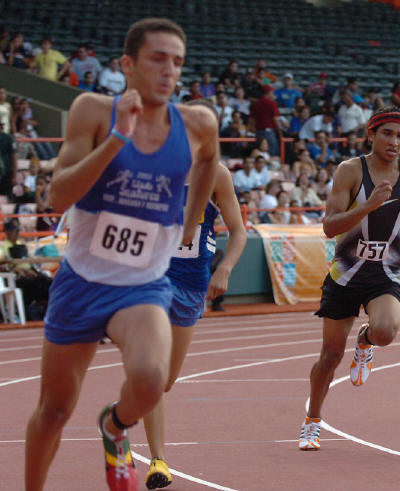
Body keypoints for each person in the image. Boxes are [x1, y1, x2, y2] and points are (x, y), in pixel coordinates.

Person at [24, 18, 219, 491]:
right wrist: (117, 138)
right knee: (54, 409)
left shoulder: (197, 123)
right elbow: (58, 197)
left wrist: (188, 224)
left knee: (152, 379)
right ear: (127, 65)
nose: (169, 70)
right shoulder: (92, 110)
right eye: (157, 59)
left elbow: (210, 162)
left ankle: (114, 427)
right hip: (83, 280)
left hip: (143, 283)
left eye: (177, 61)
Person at [298, 106, 400, 450]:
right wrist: (367, 207)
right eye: (387, 133)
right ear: (371, 135)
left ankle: (366, 341)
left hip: (387, 272)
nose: (394, 141)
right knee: (330, 357)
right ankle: (312, 422)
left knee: (386, 332)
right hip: (346, 273)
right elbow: (330, 226)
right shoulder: (349, 171)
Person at [142, 101, 247, 489]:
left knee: (164, 381)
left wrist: (225, 268)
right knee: (151, 374)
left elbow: (238, 232)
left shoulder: (216, 173)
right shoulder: (153, 168)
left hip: (191, 281)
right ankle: (158, 460)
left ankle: (120, 414)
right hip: (151, 277)